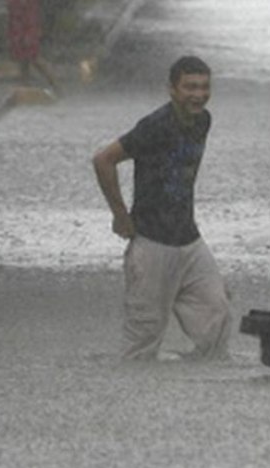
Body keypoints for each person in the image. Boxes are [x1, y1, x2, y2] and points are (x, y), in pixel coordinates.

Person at [92, 55, 232, 362]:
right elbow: (103, 160)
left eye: (204, 87)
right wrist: (120, 216)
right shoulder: (154, 126)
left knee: (217, 317)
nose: (198, 95)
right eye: (190, 87)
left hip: (190, 240)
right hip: (152, 243)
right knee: (141, 347)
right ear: (172, 89)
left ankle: (198, 394)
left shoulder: (203, 121)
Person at [5, 0, 58, 92]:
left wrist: (29, 31)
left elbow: (30, 7)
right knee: (22, 59)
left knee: (34, 57)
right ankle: (25, 86)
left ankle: (55, 85)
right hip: (17, 26)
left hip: (27, 25)